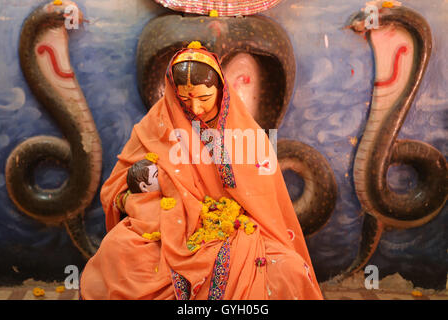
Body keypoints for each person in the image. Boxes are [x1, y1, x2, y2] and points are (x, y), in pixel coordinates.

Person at [79, 41, 323, 300]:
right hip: (166, 228)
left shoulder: (246, 134)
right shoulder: (158, 122)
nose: (195, 109)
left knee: (289, 269)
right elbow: (118, 185)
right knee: (118, 249)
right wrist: (157, 208)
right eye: (184, 99)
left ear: (221, 90)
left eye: (204, 98)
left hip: (235, 231)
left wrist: (224, 217)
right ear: (173, 94)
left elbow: (265, 205)